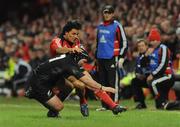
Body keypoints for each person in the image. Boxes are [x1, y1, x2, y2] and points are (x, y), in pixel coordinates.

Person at [25, 53, 127, 117]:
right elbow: (88, 82)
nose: (84, 63)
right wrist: (103, 87)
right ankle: (35, 92)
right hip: (41, 81)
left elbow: (90, 85)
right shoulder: (70, 63)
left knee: (72, 86)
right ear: (79, 58)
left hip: (51, 76)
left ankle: (83, 103)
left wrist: (112, 105)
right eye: (84, 60)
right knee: (61, 105)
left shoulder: (70, 59)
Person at [50, 20, 89, 117]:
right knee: (72, 86)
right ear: (66, 33)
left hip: (68, 71)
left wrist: (80, 60)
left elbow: (80, 56)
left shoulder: (76, 42)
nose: (76, 36)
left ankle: (82, 103)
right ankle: (53, 109)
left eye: (77, 34)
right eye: (73, 34)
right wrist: (71, 50)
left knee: (78, 86)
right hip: (55, 72)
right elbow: (58, 50)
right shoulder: (57, 41)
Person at [95, 5, 128, 110]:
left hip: (112, 57)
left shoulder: (117, 26)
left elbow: (124, 42)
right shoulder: (100, 26)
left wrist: (121, 57)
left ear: (113, 14)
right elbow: (98, 43)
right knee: (102, 83)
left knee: (113, 82)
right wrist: (96, 57)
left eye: (109, 12)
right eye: (105, 12)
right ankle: (105, 105)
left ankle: (115, 104)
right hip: (101, 58)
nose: (107, 14)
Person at [147, 28, 180, 110]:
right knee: (162, 102)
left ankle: (162, 103)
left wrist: (153, 74)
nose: (153, 42)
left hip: (167, 75)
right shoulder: (152, 50)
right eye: (151, 40)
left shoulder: (163, 48)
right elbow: (147, 64)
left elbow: (163, 64)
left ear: (158, 40)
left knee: (154, 83)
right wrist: (146, 56)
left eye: (155, 40)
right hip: (160, 76)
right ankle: (167, 104)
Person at [131, 39, 152, 109]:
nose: (141, 47)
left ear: (146, 46)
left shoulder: (151, 55)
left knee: (135, 81)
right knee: (134, 81)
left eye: (142, 45)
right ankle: (141, 103)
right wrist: (137, 74)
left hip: (152, 77)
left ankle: (160, 102)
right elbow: (137, 69)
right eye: (139, 46)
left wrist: (147, 74)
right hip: (144, 78)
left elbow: (152, 67)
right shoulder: (138, 57)